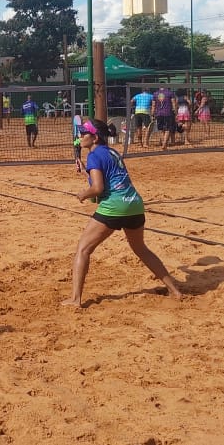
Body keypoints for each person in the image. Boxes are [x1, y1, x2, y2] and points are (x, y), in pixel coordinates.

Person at [62, 119, 183, 308]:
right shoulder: (113, 152)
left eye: (83, 133)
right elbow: (112, 183)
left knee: (83, 249)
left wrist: (83, 195)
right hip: (135, 204)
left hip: (115, 207)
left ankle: (75, 299)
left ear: (94, 137)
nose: (79, 136)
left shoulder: (94, 156)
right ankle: (174, 290)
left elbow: (98, 188)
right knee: (141, 249)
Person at [152, 85, 176, 150]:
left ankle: (164, 143)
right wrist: (175, 111)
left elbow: (153, 105)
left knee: (161, 129)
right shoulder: (170, 92)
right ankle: (164, 144)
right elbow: (173, 102)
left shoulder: (155, 94)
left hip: (158, 114)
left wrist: (152, 114)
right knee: (167, 129)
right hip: (168, 113)